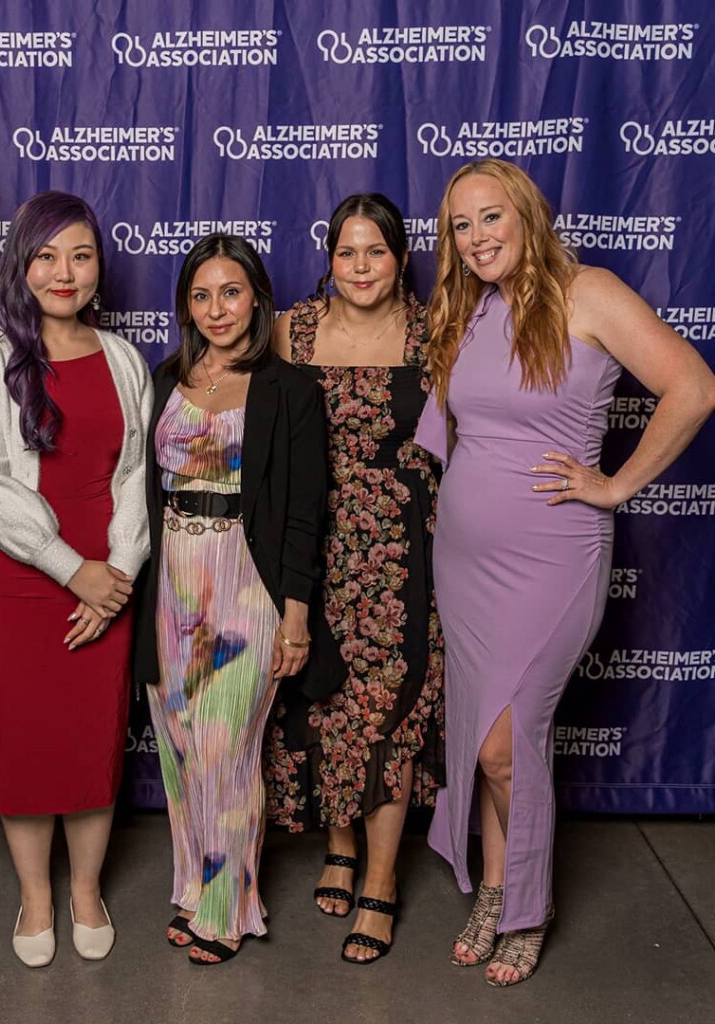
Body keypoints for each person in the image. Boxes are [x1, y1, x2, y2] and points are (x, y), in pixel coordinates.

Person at [416, 158, 715, 987]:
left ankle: (528, 901)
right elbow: (458, 438)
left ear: (526, 213)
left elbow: (693, 386)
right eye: (459, 227)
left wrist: (616, 485)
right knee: (481, 738)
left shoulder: (592, 293)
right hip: (466, 564)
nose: (475, 239)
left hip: (553, 559)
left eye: (489, 218)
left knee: (511, 743)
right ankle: (501, 885)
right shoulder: (472, 311)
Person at [0, 191, 151, 967]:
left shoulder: (124, 358)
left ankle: (86, 891)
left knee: (92, 744)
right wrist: (74, 571)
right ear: (21, 265)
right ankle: (35, 896)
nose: (64, 273)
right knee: (27, 744)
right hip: (24, 584)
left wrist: (118, 576)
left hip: (109, 585)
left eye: (81, 255)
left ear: (99, 268)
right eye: (46, 256)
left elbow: (135, 476)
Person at [134, 233, 345, 965]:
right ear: (185, 306)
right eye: (201, 295)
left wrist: (295, 613)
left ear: (257, 296)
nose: (216, 309)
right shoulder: (164, 378)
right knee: (180, 747)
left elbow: (302, 512)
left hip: (244, 583)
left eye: (230, 292)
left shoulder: (289, 390)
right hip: (172, 581)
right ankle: (195, 885)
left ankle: (229, 910)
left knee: (225, 750)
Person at [263, 193, 446, 964]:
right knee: (323, 702)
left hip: (406, 551)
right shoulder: (294, 330)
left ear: (402, 258)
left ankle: (379, 880)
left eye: (377, 252)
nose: (362, 267)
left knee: (389, 712)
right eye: (348, 253)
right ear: (330, 258)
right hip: (312, 546)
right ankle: (338, 847)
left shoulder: (439, 331)